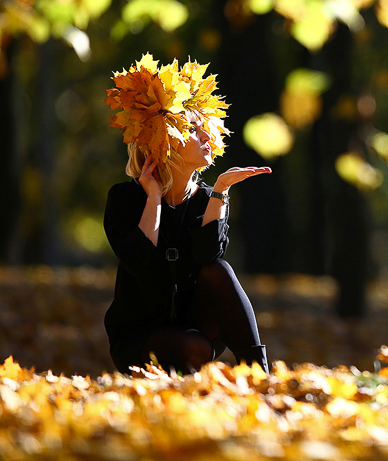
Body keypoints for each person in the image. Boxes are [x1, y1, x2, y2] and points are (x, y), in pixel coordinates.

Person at [103, 54, 272, 374]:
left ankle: (260, 376)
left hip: (195, 324)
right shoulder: (125, 198)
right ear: (165, 141)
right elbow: (138, 260)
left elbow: (207, 255)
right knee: (195, 348)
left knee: (218, 269)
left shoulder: (210, 198)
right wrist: (153, 197)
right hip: (140, 337)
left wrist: (221, 190)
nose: (209, 137)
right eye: (195, 130)